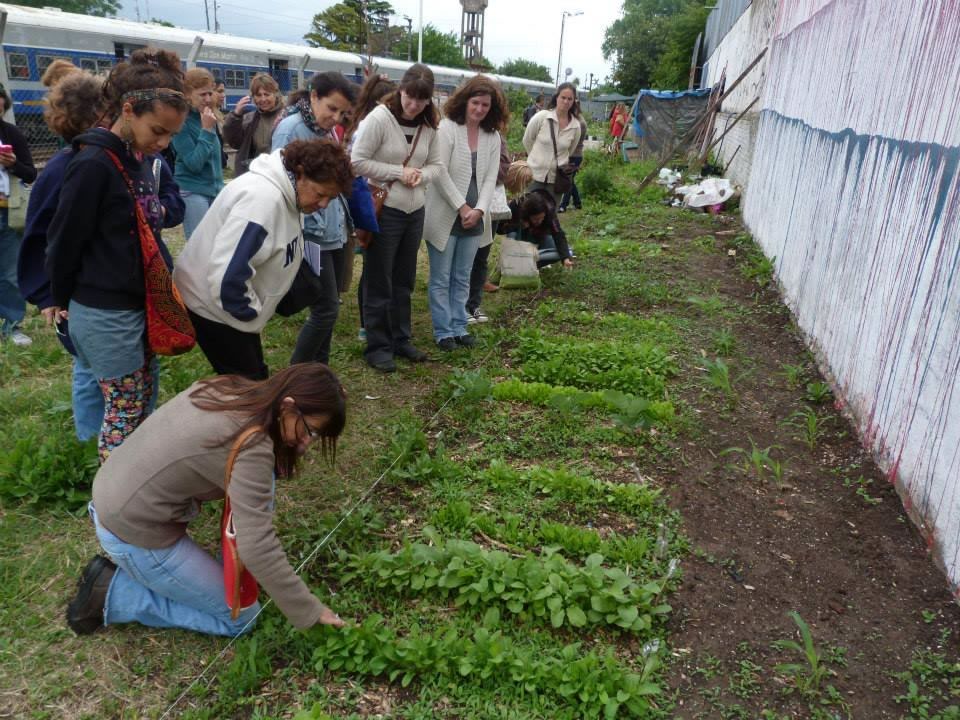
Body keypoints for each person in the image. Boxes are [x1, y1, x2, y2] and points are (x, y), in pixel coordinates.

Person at [66, 363, 349, 637]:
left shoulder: (231, 388)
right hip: (133, 531)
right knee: (241, 618)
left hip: (113, 492)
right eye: (310, 431)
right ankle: (112, 592)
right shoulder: (252, 446)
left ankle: (210, 572)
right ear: (287, 405)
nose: (307, 444)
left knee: (263, 492)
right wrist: (310, 611)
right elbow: (258, 546)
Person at [18, 70, 184, 442]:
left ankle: (135, 481)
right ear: (126, 111)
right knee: (121, 412)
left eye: (170, 134)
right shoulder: (91, 164)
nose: (163, 142)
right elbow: (60, 239)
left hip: (135, 303)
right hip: (104, 309)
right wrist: (55, 296)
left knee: (137, 402)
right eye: (158, 130)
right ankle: (110, 492)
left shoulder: (134, 158)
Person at [174, 140, 354, 380]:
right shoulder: (262, 201)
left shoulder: (289, 193)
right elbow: (227, 276)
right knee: (251, 390)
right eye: (321, 194)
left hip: (229, 311)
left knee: (250, 381)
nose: (323, 205)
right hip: (213, 308)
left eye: (330, 199)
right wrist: (251, 313)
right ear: (299, 172)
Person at [350, 63, 444, 373]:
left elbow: (436, 165)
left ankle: (400, 338)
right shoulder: (379, 118)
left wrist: (420, 175)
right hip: (385, 209)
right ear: (400, 90)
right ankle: (377, 345)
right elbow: (358, 161)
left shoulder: (429, 125)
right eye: (410, 97)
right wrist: (397, 172)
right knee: (380, 278)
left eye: (422, 99)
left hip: (414, 209)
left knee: (404, 279)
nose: (414, 105)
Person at [272, 72, 360, 367]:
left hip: (333, 230)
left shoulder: (327, 131)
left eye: (342, 112)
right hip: (311, 234)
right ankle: (295, 375)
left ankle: (318, 373)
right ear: (313, 97)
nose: (335, 117)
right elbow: (280, 186)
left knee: (330, 306)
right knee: (325, 309)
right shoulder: (290, 129)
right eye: (331, 108)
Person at [423, 75, 504, 351]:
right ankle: (443, 330)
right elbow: (439, 171)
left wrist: (479, 209)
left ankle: (460, 325)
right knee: (441, 277)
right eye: (476, 103)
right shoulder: (447, 128)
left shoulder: (492, 136)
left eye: (485, 105)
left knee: (463, 275)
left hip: (475, 219)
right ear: (465, 101)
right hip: (446, 214)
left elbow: (491, 177)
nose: (480, 109)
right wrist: (462, 206)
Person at [345, 73, 394, 342]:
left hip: (370, 198)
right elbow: (359, 165)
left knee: (372, 265)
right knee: (373, 267)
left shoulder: (359, 122)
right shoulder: (370, 125)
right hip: (371, 199)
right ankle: (367, 322)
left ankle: (370, 318)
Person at [0, 83, 37, 347]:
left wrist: (13, 164)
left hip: (6, 211)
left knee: (9, 272)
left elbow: (31, 173)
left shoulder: (11, 133)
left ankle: (12, 325)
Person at [172, 68, 224, 239]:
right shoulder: (182, 122)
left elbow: (216, 162)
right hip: (193, 191)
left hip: (214, 191)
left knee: (217, 244)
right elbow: (194, 164)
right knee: (200, 247)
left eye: (210, 93)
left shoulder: (208, 116)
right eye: (202, 95)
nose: (208, 99)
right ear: (187, 95)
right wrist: (207, 131)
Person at [466, 132, 510, 324]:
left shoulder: (495, 137)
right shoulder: (455, 131)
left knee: (481, 256)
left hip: (489, 204)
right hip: (462, 204)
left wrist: (481, 172)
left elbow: (503, 169)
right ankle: (459, 305)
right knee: (461, 258)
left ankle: (474, 304)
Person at [498, 161, 573, 270]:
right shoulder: (517, 205)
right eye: (536, 219)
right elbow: (499, 229)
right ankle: (516, 261)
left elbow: (558, 234)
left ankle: (531, 263)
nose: (539, 221)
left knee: (564, 252)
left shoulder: (549, 211)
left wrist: (565, 258)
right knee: (513, 235)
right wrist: (518, 225)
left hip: (539, 242)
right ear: (528, 215)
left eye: (541, 218)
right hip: (520, 241)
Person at [522, 83, 581, 204]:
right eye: (563, 97)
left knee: (550, 216)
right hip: (534, 176)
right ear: (556, 97)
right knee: (528, 213)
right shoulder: (542, 117)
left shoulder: (575, 126)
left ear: (573, 101)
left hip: (556, 180)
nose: (566, 101)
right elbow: (527, 140)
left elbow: (569, 150)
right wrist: (535, 159)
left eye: (570, 99)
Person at [223, 72, 283, 176]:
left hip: (280, 175)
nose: (263, 99)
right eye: (258, 95)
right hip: (255, 175)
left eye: (267, 94)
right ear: (253, 97)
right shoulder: (249, 119)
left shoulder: (286, 116)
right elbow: (234, 142)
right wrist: (235, 115)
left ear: (275, 94)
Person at [559, 106, 588, 213]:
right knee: (570, 179)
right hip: (572, 155)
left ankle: (563, 205)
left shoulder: (579, 123)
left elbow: (569, 140)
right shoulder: (576, 120)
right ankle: (577, 202)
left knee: (568, 180)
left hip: (575, 156)